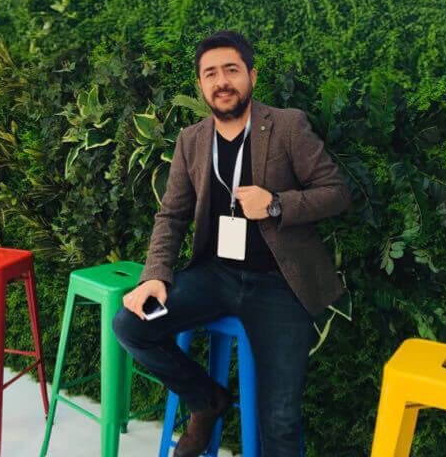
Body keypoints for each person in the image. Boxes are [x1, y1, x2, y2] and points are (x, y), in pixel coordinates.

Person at [113, 30, 352, 457]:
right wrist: (155, 276)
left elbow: (336, 192)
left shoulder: (287, 126)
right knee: (131, 326)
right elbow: (171, 216)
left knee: (280, 418)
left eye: (231, 70)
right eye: (211, 74)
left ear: (251, 76)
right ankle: (207, 400)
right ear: (201, 85)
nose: (222, 81)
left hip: (280, 282)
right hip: (215, 275)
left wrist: (275, 204)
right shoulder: (191, 140)